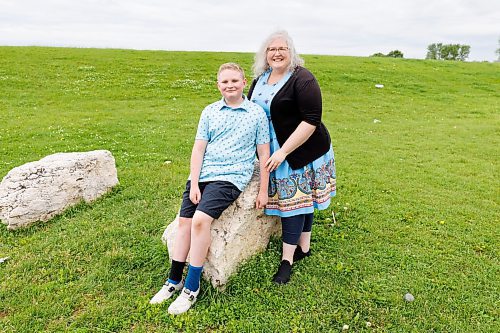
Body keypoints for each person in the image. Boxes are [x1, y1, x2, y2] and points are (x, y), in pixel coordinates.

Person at [150, 63, 270, 314]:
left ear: (244, 82)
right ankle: (173, 280)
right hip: (204, 174)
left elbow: (263, 151)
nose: (230, 85)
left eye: (235, 81)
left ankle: (191, 288)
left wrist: (263, 190)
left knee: (200, 221)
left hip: (230, 177)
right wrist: (194, 182)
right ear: (218, 85)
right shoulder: (210, 112)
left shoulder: (256, 113)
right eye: (225, 82)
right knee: (184, 223)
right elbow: (199, 149)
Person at [248, 30, 336, 284]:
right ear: (265, 55)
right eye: (271, 49)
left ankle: (287, 260)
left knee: (294, 204)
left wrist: (283, 151)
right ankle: (304, 248)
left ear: (291, 52)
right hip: (273, 148)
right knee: (302, 199)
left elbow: (311, 120)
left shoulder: (303, 78)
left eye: (282, 49)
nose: (276, 53)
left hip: (301, 148)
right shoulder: (261, 79)